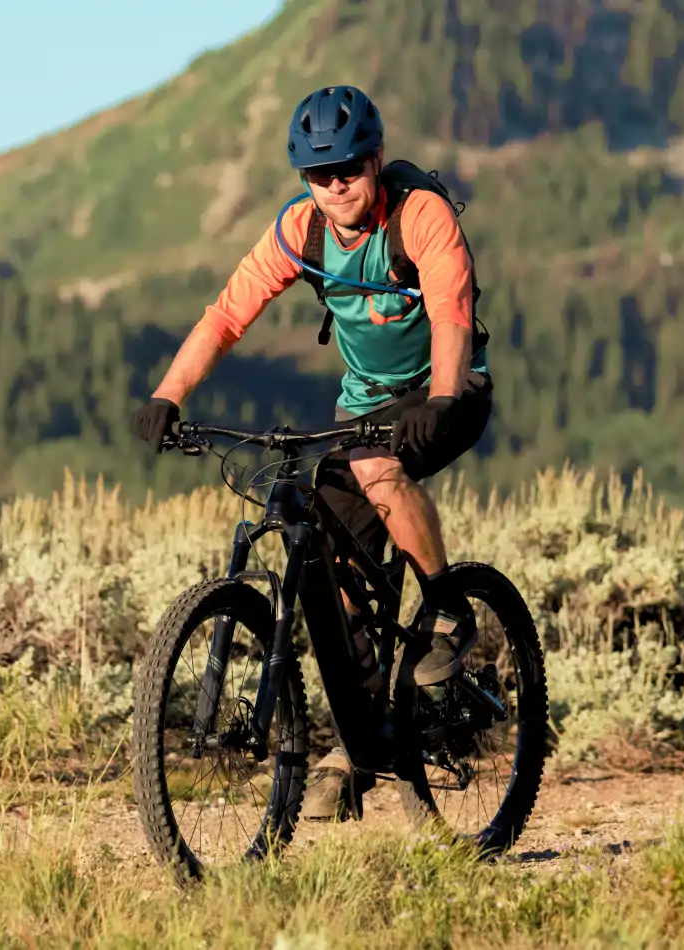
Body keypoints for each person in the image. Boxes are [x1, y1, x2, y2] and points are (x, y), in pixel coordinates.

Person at [130, 85, 493, 821]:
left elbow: (452, 311)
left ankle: (449, 609)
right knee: (325, 548)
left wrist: (445, 398)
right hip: (362, 407)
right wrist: (169, 395)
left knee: (374, 467)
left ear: (375, 161)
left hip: (448, 393)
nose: (335, 188)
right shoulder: (303, 230)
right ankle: (364, 742)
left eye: (348, 172)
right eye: (318, 176)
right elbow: (229, 312)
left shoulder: (419, 215)